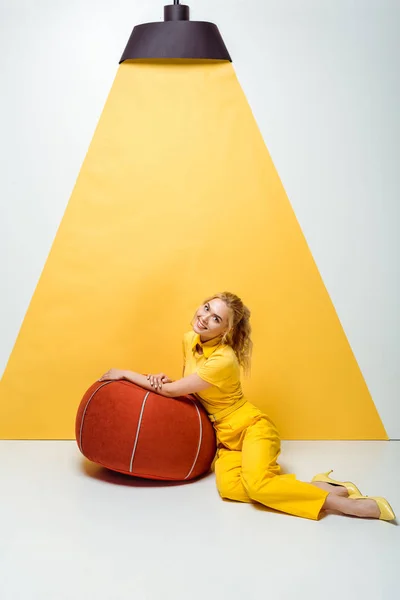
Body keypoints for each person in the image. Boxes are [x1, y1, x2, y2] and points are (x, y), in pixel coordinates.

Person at [99, 292, 395, 521]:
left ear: (226, 330)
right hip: (225, 440)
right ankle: (324, 486)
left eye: (216, 318)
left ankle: (344, 505)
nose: (205, 318)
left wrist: (126, 374)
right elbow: (189, 386)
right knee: (230, 489)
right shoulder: (190, 339)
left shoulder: (224, 359)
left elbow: (175, 391)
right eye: (206, 308)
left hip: (252, 428)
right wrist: (163, 379)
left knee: (256, 486)